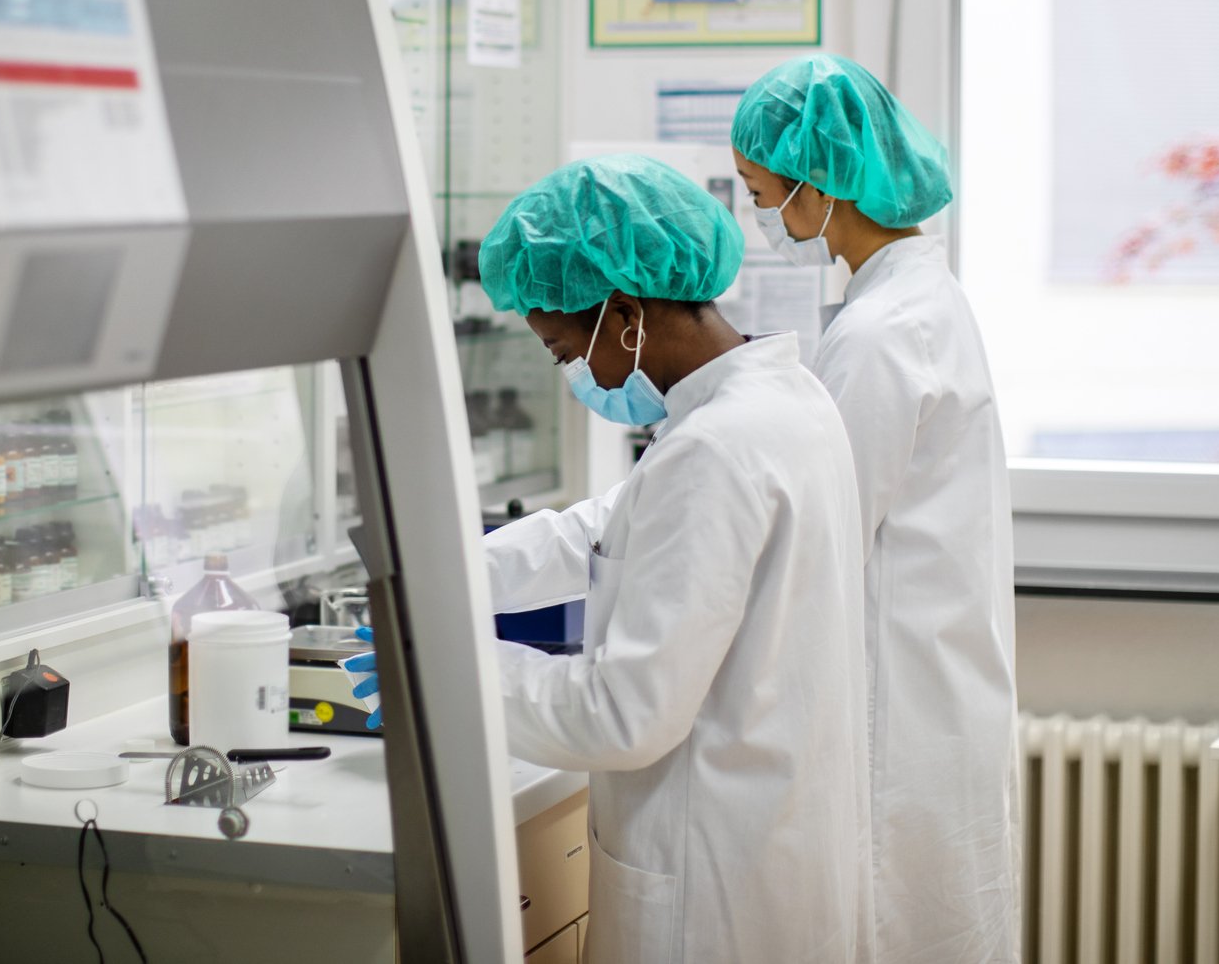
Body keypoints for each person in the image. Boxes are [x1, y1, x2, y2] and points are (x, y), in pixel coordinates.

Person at [356, 153, 870, 962]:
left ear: (626, 313)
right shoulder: (779, 404)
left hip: (710, 887)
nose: (576, 374)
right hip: (769, 834)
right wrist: (443, 579)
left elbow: (624, 717)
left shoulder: (715, 449)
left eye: (565, 351)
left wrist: (443, 672)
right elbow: (606, 526)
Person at [732, 54, 1020, 964]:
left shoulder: (877, 335)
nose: (760, 217)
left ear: (820, 185)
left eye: (760, 191)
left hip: (902, 715)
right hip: (939, 690)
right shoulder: (920, 300)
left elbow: (820, 534)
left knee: (901, 926)